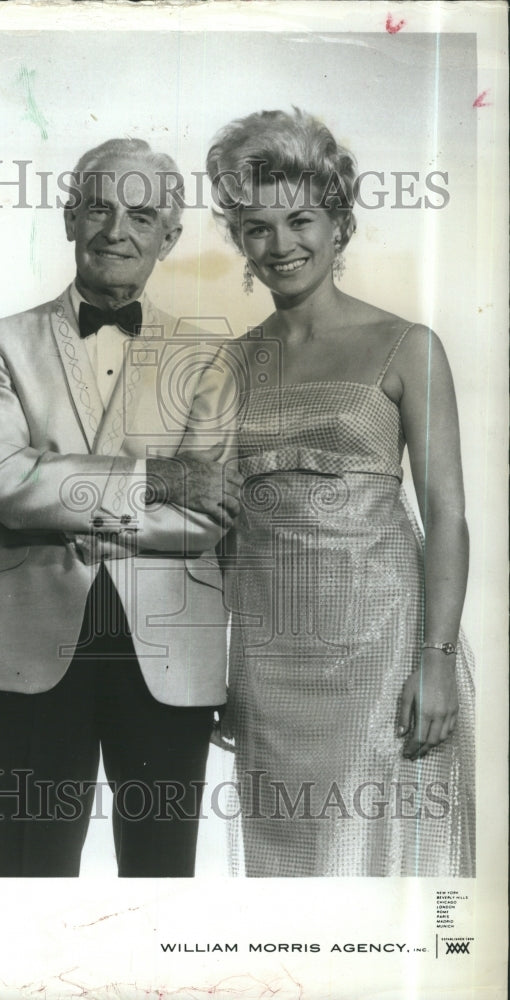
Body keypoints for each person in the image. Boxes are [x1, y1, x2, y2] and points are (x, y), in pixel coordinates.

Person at [0, 138, 243, 877]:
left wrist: (63, 500)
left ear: (168, 238)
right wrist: (156, 478)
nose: (117, 230)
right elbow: (1, 484)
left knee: (162, 878)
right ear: (69, 219)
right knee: (23, 873)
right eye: (99, 209)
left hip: (170, 646)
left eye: (141, 217)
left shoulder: (211, 356)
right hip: (32, 641)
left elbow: (208, 517)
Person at [199, 108, 475, 876]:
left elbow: (447, 513)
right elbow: (217, 533)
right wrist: (220, 669)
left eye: (300, 220)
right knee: (287, 880)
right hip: (270, 664)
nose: (280, 245)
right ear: (239, 241)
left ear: (339, 223)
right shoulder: (231, 364)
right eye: (257, 229)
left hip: (382, 653)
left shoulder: (407, 345)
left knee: (377, 867)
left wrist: (436, 659)